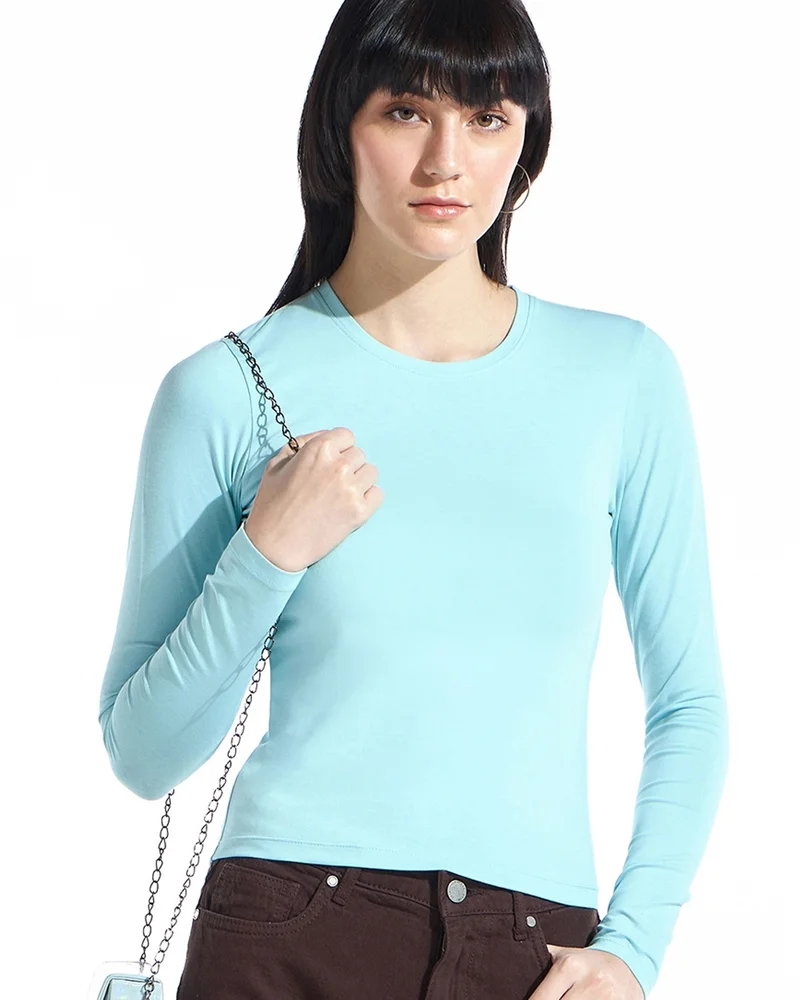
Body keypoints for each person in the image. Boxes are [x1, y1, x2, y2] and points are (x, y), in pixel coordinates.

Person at [97, 1, 729, 998]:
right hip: (285, 929)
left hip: (535, 952)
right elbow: (143, 753)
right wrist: (266, 552)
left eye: (486, 117)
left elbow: (688, 700)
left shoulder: (620, 376)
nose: (446, 161)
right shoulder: (226, 389)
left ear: (526, 140)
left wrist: (633, 946)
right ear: (341, 125)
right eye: (405, 112)